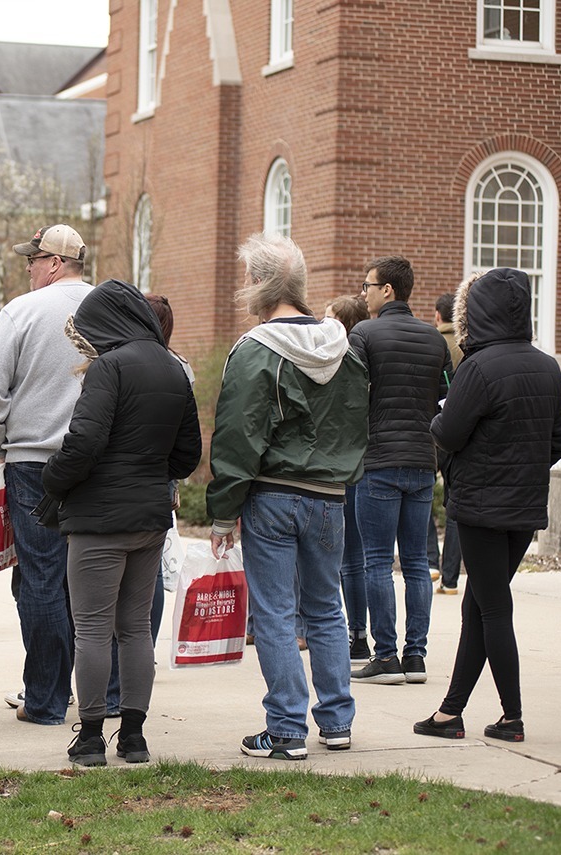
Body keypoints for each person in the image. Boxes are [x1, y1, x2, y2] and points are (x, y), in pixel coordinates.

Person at [207, 233, 368, 761]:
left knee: (275, 613)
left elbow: (237, 435)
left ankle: (286, 730)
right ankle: (337, 721)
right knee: (325, 609)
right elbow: (357, 424)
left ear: (260, 284)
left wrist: (223, 511)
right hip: (328, 495)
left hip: (273, 495)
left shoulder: (255, 351)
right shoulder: (345, 348)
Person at [44, 280, 202, 766]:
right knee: (135, 628)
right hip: (150, 516)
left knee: (91, 628)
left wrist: (53, 481)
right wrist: (149, 472)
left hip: (97, 520)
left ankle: (91, 738)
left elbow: (84, 443)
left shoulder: (109, 367)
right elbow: (189, 453)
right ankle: (133, 738)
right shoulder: (173, 367)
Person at [414, 268, 561, 743]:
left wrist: (442, 419)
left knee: (493, 608)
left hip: (481, 506)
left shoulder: (476, 368)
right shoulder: (547, 366)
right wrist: (525, 464)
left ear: (476, 313)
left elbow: (447, 433)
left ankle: (512, 717)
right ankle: (450, 712)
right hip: (523, 507)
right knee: (479, 606)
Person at [0, 223, 93, 726]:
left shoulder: (20, 311)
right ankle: (100, 694)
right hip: (97, 462)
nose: (27, 267)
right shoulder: (112, 307)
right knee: (91, 581)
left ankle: (46, 698)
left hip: (34, 462)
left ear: (55, 263)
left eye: (34, 259)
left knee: (41, 578)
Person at [349, 256, 453, 686]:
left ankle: (385, 656)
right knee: (414, 562)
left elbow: (350, 398)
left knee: (376, 561)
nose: (364, 292)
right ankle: (416, 657)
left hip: (379, 462)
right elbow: (445, 398)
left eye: (368, 285)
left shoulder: (364, 334)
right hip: (422, 462)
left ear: (387, 290)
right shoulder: (435, 341)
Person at [143, 293, 193, 651]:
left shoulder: (124, 363)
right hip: (163, 474)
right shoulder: (181, 367)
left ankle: (137, 649)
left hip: (141, 474)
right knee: (154, 568)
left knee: (144, 571)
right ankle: (144, 650)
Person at [325, 295, 372, 664]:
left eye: (330, 319)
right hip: (357, 461)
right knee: (354, 556)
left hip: (350, 464)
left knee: (351, 557)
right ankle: (359, 635)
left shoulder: (347, 360)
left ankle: (357, 636)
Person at [428, 290, 465, 595]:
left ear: (437, 316)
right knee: (454, 504)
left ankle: (430, 561)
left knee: (423, 496)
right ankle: (451, 579)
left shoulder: (432, 343)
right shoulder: (468, 346)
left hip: (432, 431)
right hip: (461, 434)